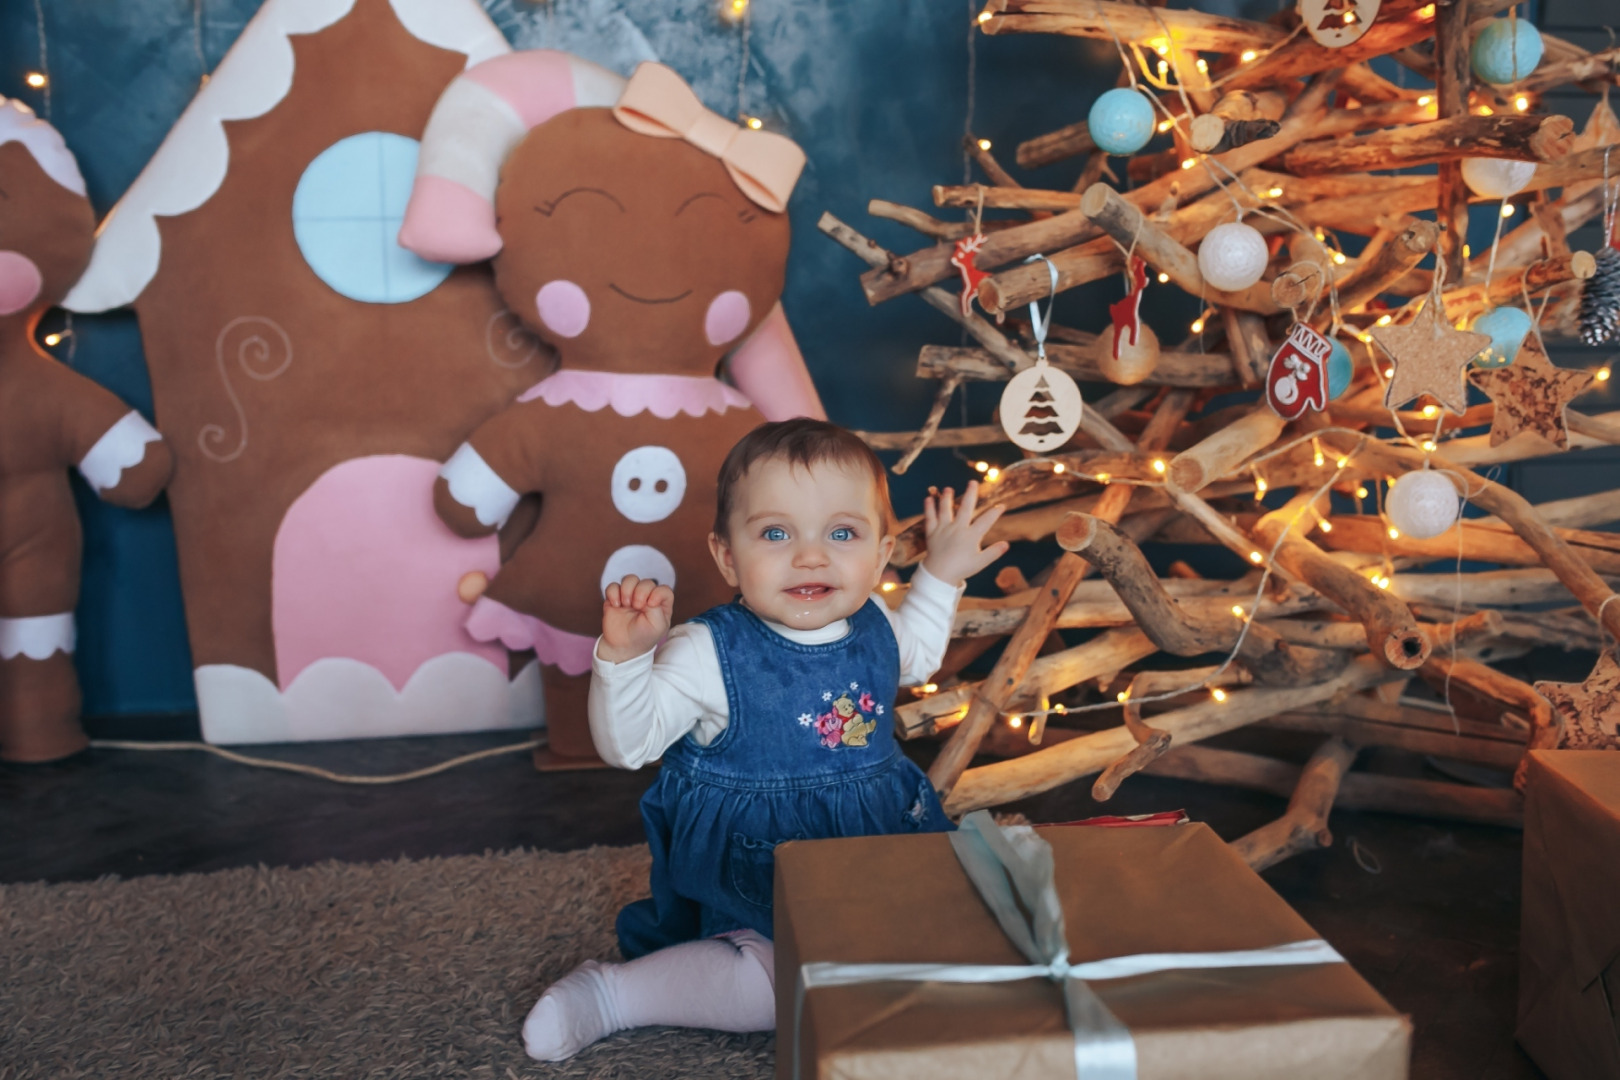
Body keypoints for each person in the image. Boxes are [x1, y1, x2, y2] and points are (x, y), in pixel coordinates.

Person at [522, 418, 1007, 1060]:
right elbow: (628, 747)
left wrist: (942, 573)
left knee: (967, 933)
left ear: (882, 553)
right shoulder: (707, 650)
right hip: (762, 866)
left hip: (879, 843)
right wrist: (626, 659)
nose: (811, 555)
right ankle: (616, 995)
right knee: (771, 988)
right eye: (776, 533)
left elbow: (917, 654)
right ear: (727, 555)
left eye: (842, 533)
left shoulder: (876, 623)